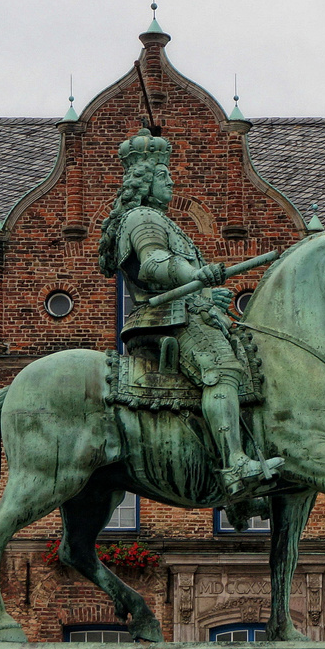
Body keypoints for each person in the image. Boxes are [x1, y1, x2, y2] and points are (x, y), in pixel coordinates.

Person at [98, 128, 270, 500]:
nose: (171, 181)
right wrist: (196, 274)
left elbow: (182, 282)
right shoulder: (143, 218)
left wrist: (210, 296)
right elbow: (154, 264)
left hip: (187, 314)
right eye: (163, 175)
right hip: (167, 322)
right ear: (144, 183)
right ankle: (236, 465)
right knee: (222, 371)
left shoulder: (163, 221)